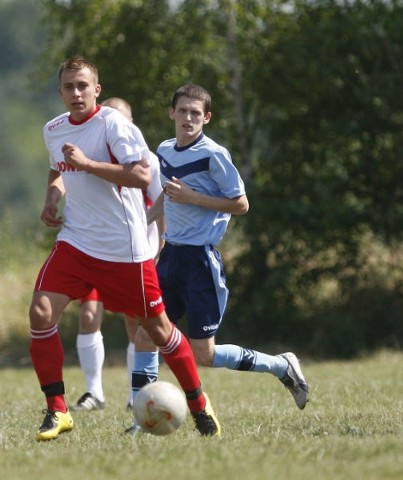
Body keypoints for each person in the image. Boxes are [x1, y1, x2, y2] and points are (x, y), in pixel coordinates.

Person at [31, 56, 219, 441]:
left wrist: (87, 163)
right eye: (69, 87)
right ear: (61, 92)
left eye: (83, 85)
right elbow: (58, 168)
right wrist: (52, 197)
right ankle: (58, 410)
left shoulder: (114, 124)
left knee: (160, 330)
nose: (77, 93)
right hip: (77, 242)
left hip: (124, 250)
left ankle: (200, 406)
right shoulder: (53, 129)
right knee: (40, 312)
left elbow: (141, 175)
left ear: (96, 89)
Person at [127, 84, 308, 432]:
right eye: (183, 111)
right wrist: (140, 225)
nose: (189, 118)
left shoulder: (214, 155)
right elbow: (168, 195)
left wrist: (194, 197)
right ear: (172, 113)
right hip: (170, 257)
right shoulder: (164, 150)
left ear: (206, 118)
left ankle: (280, 365)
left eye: (197, 113)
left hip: (201, 263)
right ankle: (140, 417)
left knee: (204, 355)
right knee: (146, 333)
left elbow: (241, 204)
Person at [70, 97, 163, 412]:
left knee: (135, 324)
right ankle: (94, 393)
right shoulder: (89, 155)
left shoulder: (146, 159)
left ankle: (135, 394)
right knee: (87, 315)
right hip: (91, 250)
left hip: (132, 253)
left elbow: (159, 202)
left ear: (131, 123)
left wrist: (160, 244)